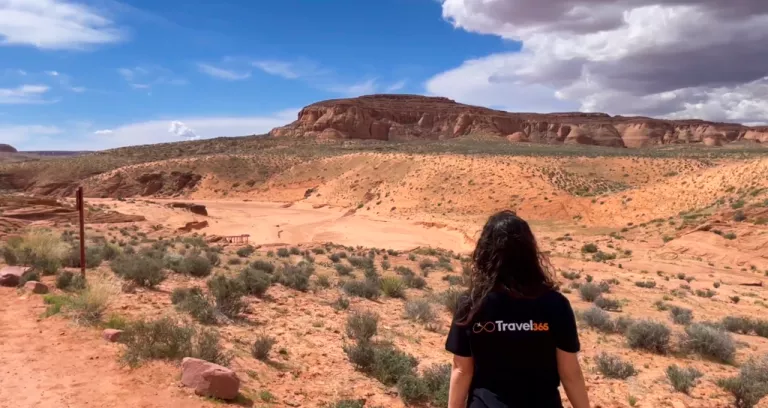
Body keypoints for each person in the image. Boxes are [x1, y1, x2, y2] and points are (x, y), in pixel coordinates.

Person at [445, 210, 590, 408]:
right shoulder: (556, 304)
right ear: (529, 252)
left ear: (485, 253)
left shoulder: (471, 304)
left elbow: (462, 370)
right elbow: (569, 372)